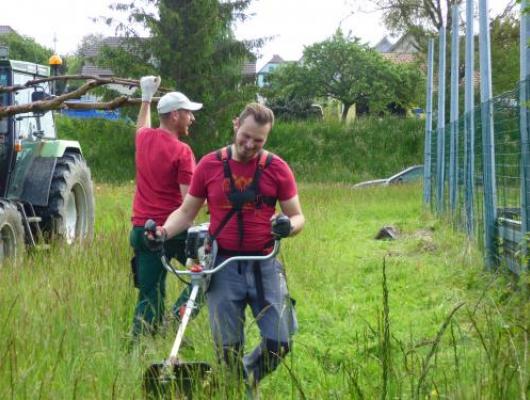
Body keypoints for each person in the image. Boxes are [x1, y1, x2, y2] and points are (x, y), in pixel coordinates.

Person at [150, 103, 305, 396]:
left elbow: (298, 216)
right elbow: (186, 211)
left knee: (280, 341)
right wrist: (163, 232)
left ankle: (248, 374)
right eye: (245, 136)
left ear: (267, 138)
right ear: (236, 125)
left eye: (258, 141)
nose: (249, 145)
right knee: (227, 349)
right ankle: (236, 389)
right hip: (222, 264)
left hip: (264, 262)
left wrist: (288, 225)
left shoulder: (277, 168)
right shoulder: (209, 165)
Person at [130, 75, 202, 339]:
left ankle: (141, 343)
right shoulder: (182, 152)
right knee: (208, 276)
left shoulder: (144, 139)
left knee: (150, 294)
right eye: (188, 113)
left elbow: (141, 126)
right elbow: (188, 204)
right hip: (170, 232)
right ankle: (176, 321)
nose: (192, 118)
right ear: (174, 116)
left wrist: (146, 98)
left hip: (141, 230)